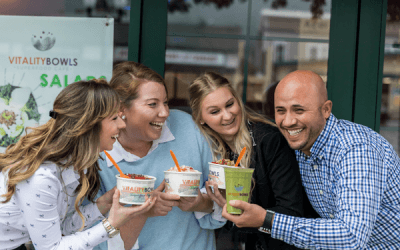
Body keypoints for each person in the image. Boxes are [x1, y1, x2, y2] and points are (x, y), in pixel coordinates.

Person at [222, 70, 400, 249]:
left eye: (299, 110)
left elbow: (350, 236)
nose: (288, 121)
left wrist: (268, 221)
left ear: (326, 110)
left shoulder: (355, 149)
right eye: (280, 111)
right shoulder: (300, 145)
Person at [0, 79, 156, 250]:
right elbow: (51, 248)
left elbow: (63, 226)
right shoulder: (42, 177)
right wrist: (111, 224)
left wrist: (104, 204)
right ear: (88, 125)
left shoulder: (73, 164)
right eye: (114, 118)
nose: (122, 124)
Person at [94, 62, 226, 250]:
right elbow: (100, 243)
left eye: (165, 102)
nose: (165, 113)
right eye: (152, 104)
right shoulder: (97, 154)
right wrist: (143, 211)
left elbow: (224, 202)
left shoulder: (188, 128)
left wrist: (199, 202)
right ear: (120, 109)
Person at [189, 72, 309, 249]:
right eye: (215, 111)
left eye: (230, 104)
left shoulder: (269, 141)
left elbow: (292, 212)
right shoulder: (209, 150)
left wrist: (241, 213)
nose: (228, 116)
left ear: (238, 100)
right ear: (201, 118)